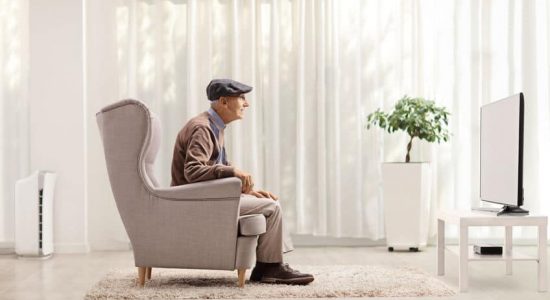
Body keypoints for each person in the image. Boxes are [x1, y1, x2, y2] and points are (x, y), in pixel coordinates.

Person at [170, 79, 314, 285]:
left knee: (268, 202)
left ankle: (268, 267)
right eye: (241, 98)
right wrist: (233, 171)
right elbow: (193, 171)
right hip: (194, 201)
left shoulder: (214, 126)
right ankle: (270, 268)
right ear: (223, 101)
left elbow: (213, 170)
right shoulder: (202, 128)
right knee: (272, 207)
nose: (246, 104)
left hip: (203, 196)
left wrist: (249, 192)